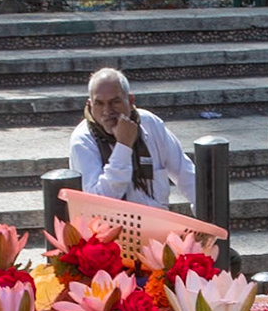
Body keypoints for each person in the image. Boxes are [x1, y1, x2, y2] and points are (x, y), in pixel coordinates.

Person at [68, 69, 195, 208]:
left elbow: (187, 176)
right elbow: (99, 202)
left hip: (158, 223)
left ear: (130, 100)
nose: (107, 111)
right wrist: (123, 147)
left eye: (115, 102)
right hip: (111, 227)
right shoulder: (83, 141)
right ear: (90, 105)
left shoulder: (149, 123)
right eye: (99, 103)